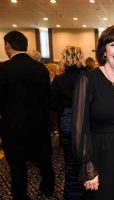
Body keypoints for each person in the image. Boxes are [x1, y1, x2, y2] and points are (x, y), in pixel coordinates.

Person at [72, 25, 114, 200]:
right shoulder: (88, 79)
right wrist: (88, 166)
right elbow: (79, 127)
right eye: (113, 44)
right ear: (104, 50)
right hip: (100, 153)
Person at [0, 30, 55, 200]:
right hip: (39, 125)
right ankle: (48, 187)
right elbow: (48, 99)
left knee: (17, 166)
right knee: (44, 160)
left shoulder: (3, 68)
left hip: (13, 127)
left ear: (8, 45)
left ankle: (20, 196)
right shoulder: (41, 69)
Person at [50, 46, 87, 200]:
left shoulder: (59, 79)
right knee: (88, 164)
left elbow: (52, 104)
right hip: (87, 124)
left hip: (67, 124)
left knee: (71, 167)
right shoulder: (89, 76)